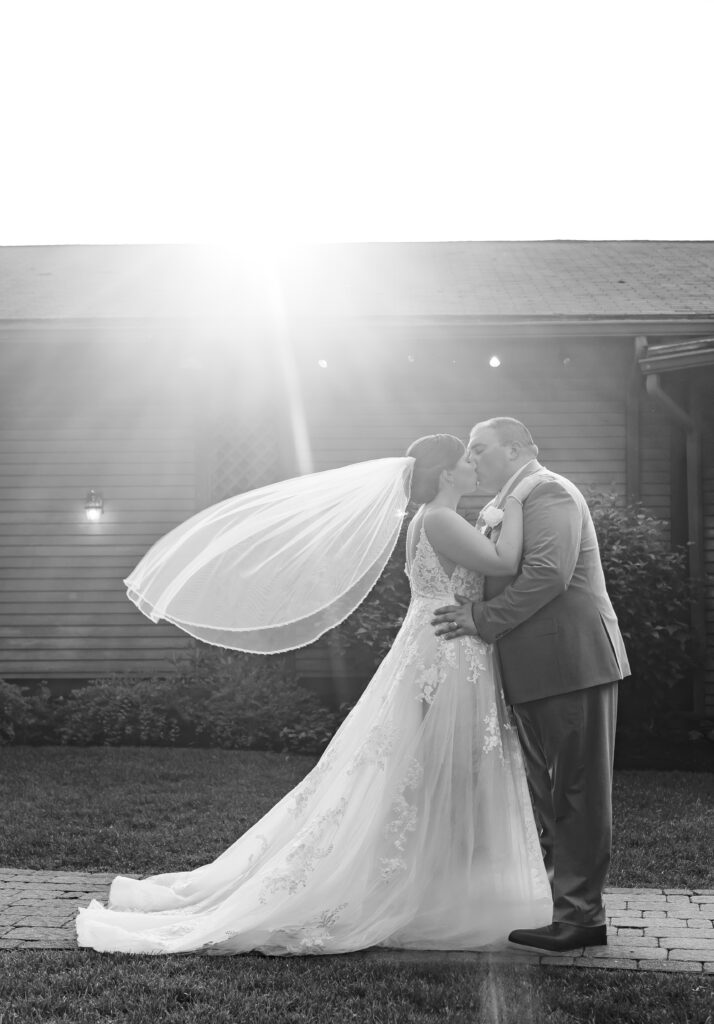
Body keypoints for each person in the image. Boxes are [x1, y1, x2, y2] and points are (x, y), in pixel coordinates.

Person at [76, 433, 552, 956]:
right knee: (442, 771)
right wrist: (515, 500)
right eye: (466, 460)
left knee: (439, 774)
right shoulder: (439, 520)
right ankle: (430, 889)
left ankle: (442, 884)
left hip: (442, 646)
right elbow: (505, 564)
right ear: (444, 474)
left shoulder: (435, 520)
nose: (474, 467)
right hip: (445, 652)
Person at [432, 418, 630, 953]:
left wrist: (483, 618)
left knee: (578, 791)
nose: (472, 457)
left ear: (517, 449)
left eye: (481, 447)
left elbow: (548, 574)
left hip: (570, 662)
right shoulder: (508, 500)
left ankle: (582, 916)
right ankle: (563, 908)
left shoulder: (548, 491)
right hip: (533, 669)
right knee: (548, 794)